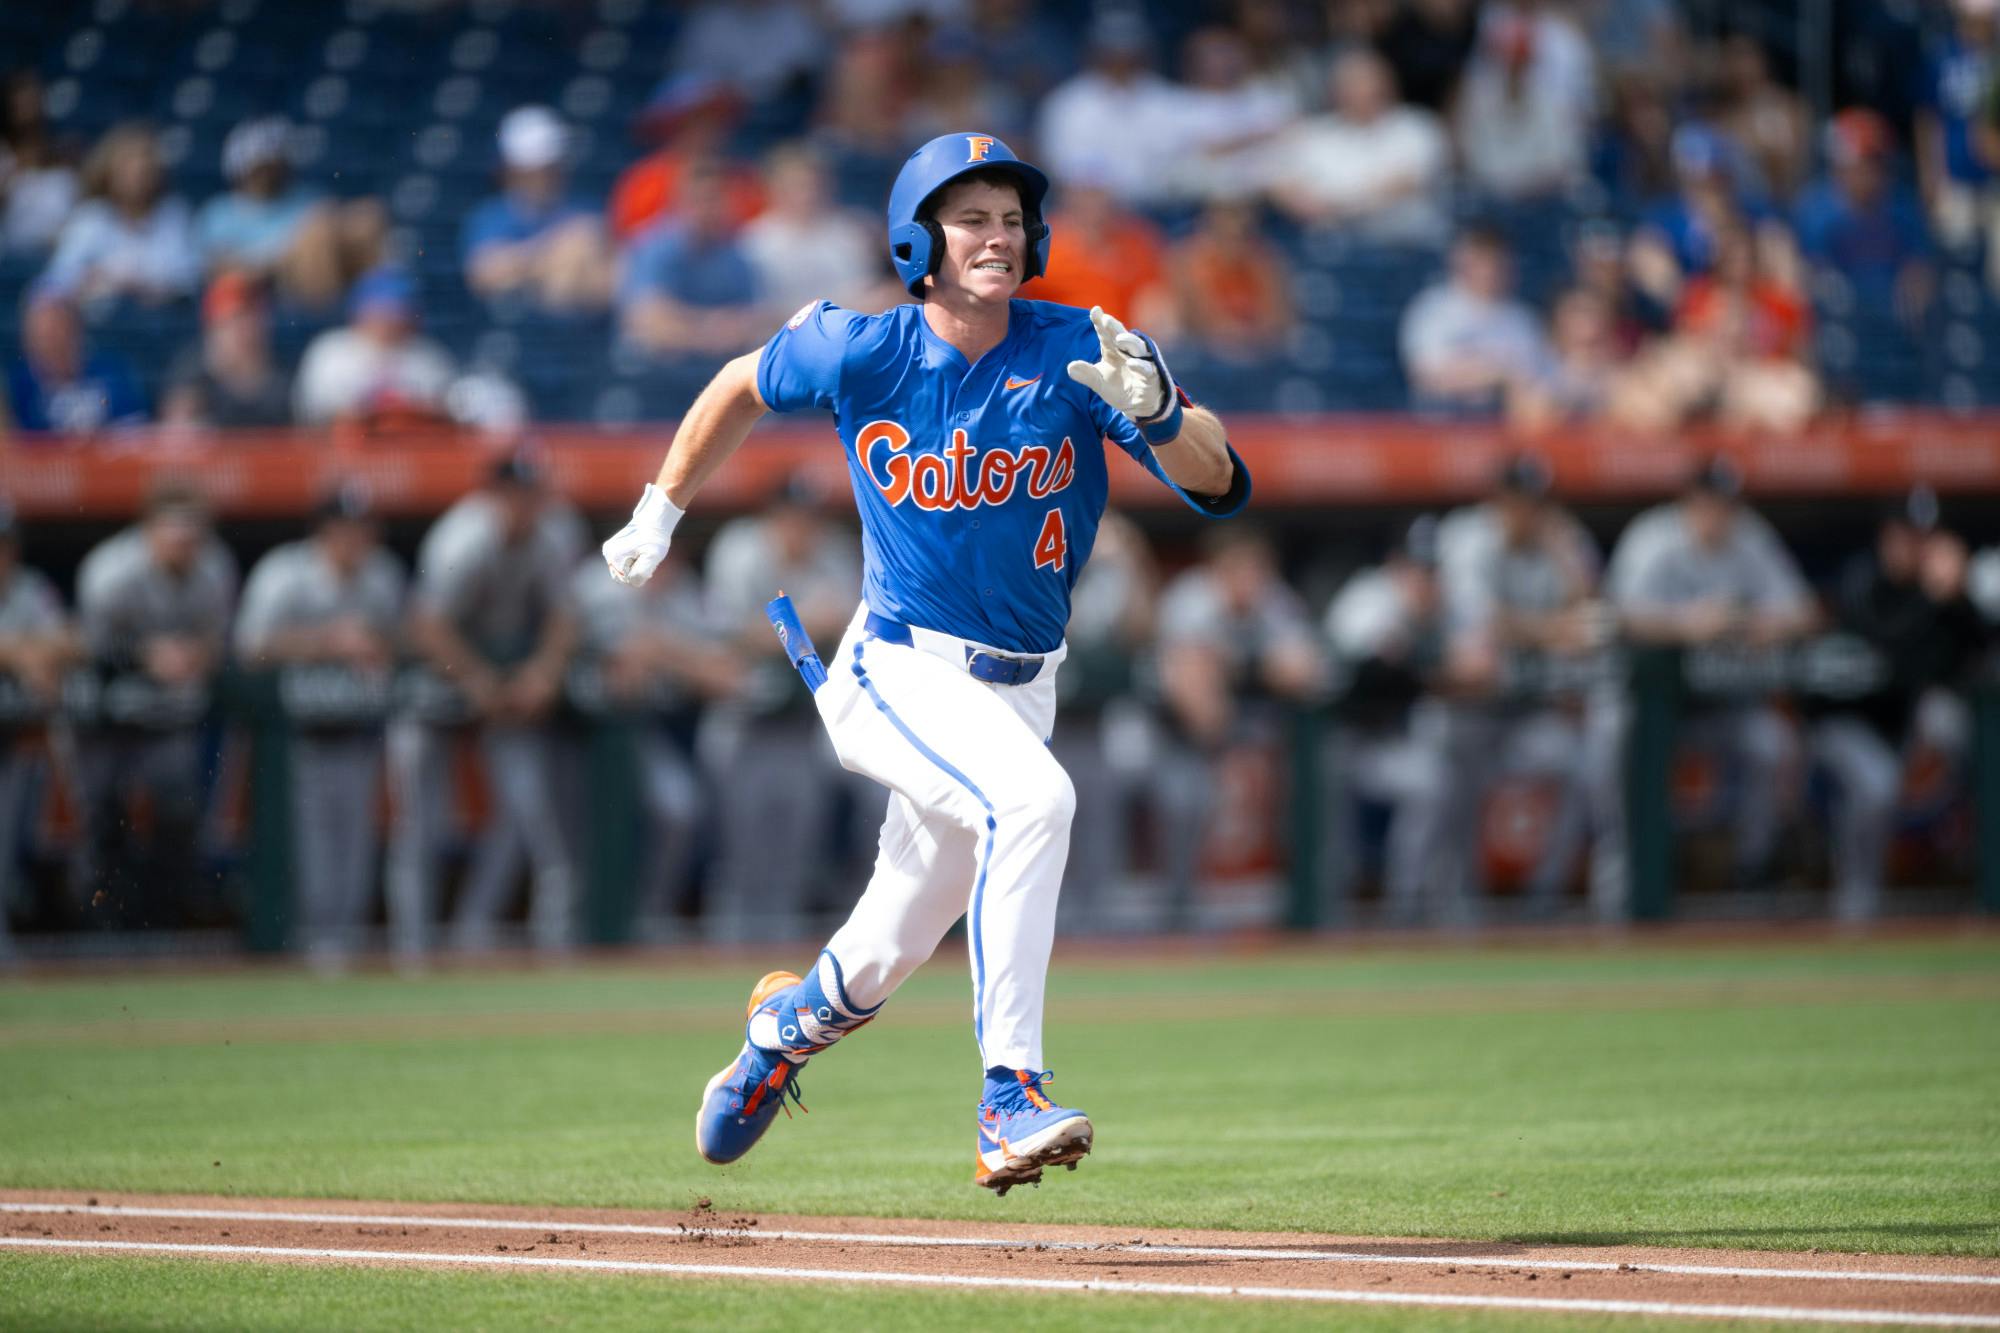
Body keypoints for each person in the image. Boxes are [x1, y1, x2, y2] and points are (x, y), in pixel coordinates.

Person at [600, 132, 1247, 1191]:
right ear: (918, 239)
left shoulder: (1075, 345)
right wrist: (657, 510)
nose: (996, 236)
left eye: (1008, 218)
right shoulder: (864, 346)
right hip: (894, 667)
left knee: (896, 937)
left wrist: (1165, 413)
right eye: (970, 217)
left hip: (1018, 684)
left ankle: (776, 1036)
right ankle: (1008, 1098)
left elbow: (1219, 485)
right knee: (1034, 804)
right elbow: (735, 382)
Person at [1599, 457, 1817, 913]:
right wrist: (1686, 624)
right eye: (1708, 502)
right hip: (1649, 702)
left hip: (1721, 702)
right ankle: (1622, 880)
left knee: (1770, 744)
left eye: (1726, 504)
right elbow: (1618, 616)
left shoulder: (1750, 536)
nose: (1717, 513)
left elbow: (1804, 610)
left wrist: (1759, 623)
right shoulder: (1654, 538)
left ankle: (1750, 872)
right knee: (1607, 738)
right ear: (1689, 501)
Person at [391, 454, 583, 955]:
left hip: (501, 683)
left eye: (530, 495)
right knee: (421, 824)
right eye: (512, 495)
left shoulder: (547, 538)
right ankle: (411, 950)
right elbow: (425, 625)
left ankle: (473, 935)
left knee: (526, 817)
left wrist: (542, 672)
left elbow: (564, 617)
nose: (523, 506)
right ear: (492, 497)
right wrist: (477, 679)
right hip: (432, 685)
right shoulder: (462, 538)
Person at [235, 483, 405, 960]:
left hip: (358, 730)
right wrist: (327, 642)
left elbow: (400, 641)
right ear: (323, 533)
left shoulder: (382, 577)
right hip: (293, 736)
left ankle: (342, 945)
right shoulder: (284, 574)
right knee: (307, 847)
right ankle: (307, 942)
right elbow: (250, 648)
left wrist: (376, 649)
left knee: (356, 845)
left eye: (363, 531)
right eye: (344, 531)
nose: (356, 541)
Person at [1435, 456, 1604, 920]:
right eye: (1517, 501)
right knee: (1453, 792)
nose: (1526, 512)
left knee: (1582, 768)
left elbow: (1593, 623)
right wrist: (1553, 631)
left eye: (1535, 502)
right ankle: (1457, 902)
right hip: (1469, 709)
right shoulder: (1467, 537)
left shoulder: (1562, 542)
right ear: (1498, 500)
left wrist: (1567, 561)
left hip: (1530, 709)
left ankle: (1543, 899)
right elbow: (1482, 623)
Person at [701, 478, 866, 944]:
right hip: (741, 724)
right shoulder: (740, 550)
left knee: (795, 852)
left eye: (809, 518)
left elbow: (854, 623)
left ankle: (779, 953)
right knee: (741, 854)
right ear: (772, 517)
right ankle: (725, 954)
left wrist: (799, 631)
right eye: (791, 517)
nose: (801, 528)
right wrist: (806, 624)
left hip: (801, 727)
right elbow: (730, 634)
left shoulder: (833, 553)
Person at [72, 484, 237, 927]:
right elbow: (85, 649)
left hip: (168, 715)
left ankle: (165, 928)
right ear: (150, 528)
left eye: (194, 534)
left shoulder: (214, 567)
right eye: (176, 533)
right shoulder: (111, 571)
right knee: (104, 822)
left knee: (179, 819)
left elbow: (219, 639)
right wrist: (146, 656)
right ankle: (100, 933)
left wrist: (195, 655)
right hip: (105, 716)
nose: (186, 544)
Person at [1819, 489, 1986, 920]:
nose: (1916, 548)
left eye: (1924, 538)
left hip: (1907, 722)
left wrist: (1960, 595)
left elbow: (1981, 649)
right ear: (1887, 537)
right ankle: (1859, 901)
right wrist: (1932, 599)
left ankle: (1977, 876)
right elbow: (1890, 651)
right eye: (1907, 537)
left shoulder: (1940, 590)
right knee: (1876, 787)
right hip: (1846, 719)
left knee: (1978, 740)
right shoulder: (1862, 580)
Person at [1152, 525, 1322, 926]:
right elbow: (1201, 708)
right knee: (1186, 803)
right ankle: (1175, 919)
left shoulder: (1273, 601)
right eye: (1242, 570)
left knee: (1300, 789)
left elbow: (1306, 670)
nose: (1253, 581)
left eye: (1259, 570)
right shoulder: (1191, 601)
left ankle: (1286, 918)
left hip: (1241, 732)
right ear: (1220, 570)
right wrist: (1259, 671)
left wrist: (1237, 668)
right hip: (1168, 734)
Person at [570, 548, 737, 931]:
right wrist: (673, 656)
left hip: (646, 727)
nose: (667, 564)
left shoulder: (679, 589)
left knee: (680, 810)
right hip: (578, 734)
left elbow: (721, 668)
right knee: (564, 843)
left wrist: (670, 654)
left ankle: (650, 916)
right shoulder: (599, 584)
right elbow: (625, 669)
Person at [1323, 516, 1456, 924]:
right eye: (1418, 568)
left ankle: (1406, 907)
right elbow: (1375, 662)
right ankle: (1327, 913)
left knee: (1434, 783)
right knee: (1330, 830)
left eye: (1432, 569)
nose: (1425, 578)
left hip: (1393, 742)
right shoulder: (1368, 598)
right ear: (1396, 564)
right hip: (1337, 739)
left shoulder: (1445, 603)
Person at [0, 502, 82, 956]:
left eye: (5, 545)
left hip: (10, 739)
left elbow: (71, 639)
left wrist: (40, 654)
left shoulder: (29, 590)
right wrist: (18, 655)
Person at [194, 117, 386, 310]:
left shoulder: (310, 198)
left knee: (366, 215)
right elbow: (215, 269)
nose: (268, 174)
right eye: (260, 168)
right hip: (250, 295)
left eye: (273, 164)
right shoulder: (219, 212)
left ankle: (363, 307)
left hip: (305, 283)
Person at [1265, 47, 1449, 246]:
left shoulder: (1416, 126)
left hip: (1405, 243)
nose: (1357, 92)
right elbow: (1278, 183)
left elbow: (1401, 186)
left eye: (1365, 82)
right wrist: (1301, 202)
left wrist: (1336, 206)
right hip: (1335, 247)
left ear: (1386, 85)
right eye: (1348, 85)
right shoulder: (1314, 134)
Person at [461, 106, 614, 313]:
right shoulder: (491, 216)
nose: (545, 176)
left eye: (550, 167)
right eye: (535, 170)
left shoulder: (586, 208)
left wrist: (524, 265)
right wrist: (561, 248)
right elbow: (483, 275)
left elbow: (606, 284)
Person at [617, 160, 765, 359]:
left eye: (715, 199)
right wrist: (710, 328)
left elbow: (751, 320)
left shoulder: (734, 254)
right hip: (655, 367)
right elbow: (649, 320)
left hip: (714, 362)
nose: (708, 208)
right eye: (700, 200)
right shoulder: (654, 246)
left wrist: (732, 328)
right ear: (680, 203)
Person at [1399, 225, 1550, 417]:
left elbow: (1533, 378)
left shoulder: (1523, 319)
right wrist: (1499, 376)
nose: (1488, 269)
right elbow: (1428, 376)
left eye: (1495, 260)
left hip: (1506, 428)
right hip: (1443, 427)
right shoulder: (1433, 309)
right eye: (1481, 260)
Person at [42, 123, 197, 307]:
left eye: (145, 170)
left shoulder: (174, 215)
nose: (137, 177)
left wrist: (139, 285)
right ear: (110, 172)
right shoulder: (90, 217)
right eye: (128, 168)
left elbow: (188, 282)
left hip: (159, 321)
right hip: (96, 324)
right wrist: (95, 281)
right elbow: (57, 281)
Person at [739, 142, 890, 319]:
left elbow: (873, 295)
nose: (807, 194)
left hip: (853, 332)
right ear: (772, 188)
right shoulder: (754, 242)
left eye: (813, 184)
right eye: (796, 186)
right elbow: (760, 312)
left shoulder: (855, 230)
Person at [293, 267, 455, 427]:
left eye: (397, 311)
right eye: (381, 309)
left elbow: (447, 414)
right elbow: (312, 417)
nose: (389, 319)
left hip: (415, 447)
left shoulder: (430, 357)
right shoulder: (329, 351)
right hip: (341, 449)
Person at [5, 281, 146, 436]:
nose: (50, 341)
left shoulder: (110, 372)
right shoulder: (17, 385)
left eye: (57, 328)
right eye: (42, 333)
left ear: (75, 329)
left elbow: (134, 431)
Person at [160, 271, 293, 431]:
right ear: (215, 327)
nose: (245, 328)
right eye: (234, 319)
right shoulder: (193, 376)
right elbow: (177, 435)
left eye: (252, 316)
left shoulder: (287, 373)